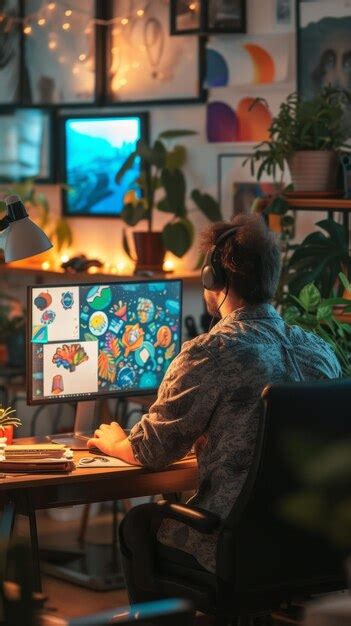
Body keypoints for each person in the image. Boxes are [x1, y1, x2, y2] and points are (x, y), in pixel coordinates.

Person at [87, 214, 341, 601]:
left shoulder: (212, 353)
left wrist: (116, 441)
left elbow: (153, 451)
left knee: (138, 522)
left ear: (213, 279)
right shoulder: (321, 353)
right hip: (313, 544)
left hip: (235, 546)